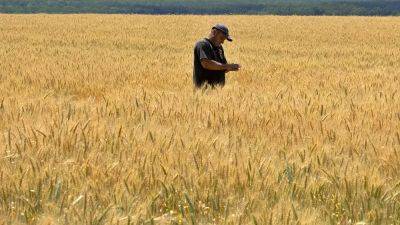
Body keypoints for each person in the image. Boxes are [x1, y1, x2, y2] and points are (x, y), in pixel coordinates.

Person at [193, 24, 241, 88]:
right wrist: (227, 66)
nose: (222, 42)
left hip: (217, 91)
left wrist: (229, 68)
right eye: (221, 38)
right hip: (204, 90)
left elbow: (221, 67)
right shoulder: (203, 44)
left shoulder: (219, 48)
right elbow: (206, 64)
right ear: (214, 33)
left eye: (224, 39)